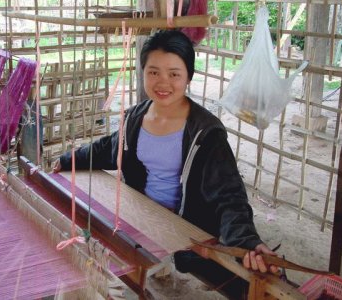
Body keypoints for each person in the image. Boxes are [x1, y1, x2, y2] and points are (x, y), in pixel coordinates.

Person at [53, 29, 277, 298]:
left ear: (188, 77)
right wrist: (68, 160)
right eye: (154, 72)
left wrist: (247, 242)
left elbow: (229, 196)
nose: (163, 83)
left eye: (174, 74)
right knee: (76, 258)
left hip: (182, 229)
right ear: (143, 72)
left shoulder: (205, 133)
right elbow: (107, 150)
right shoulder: (135, 118)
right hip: (140, 215)